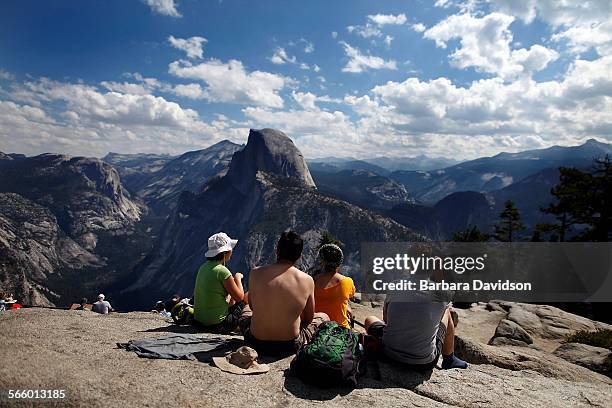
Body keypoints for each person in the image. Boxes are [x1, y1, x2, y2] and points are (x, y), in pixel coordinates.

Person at [239, 230, 329, 356]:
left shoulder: (255, 273)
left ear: (277, 250)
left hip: (255, 342)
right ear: (299, 256)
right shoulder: (307, 280)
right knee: (323, 317)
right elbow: (309, 318)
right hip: (289, 345)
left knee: (246, 308)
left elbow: (253, 307)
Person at [364, 282, 468, 370]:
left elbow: (386, 320)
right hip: (423, 363)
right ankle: (449, 359)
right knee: (447, 311)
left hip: (388, 354)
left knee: (370, 319)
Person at [193, 232, 245, 333]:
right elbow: (239, 297)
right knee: (245, 299)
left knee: (230, 297)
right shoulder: (222, 271)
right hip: (218, 325)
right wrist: (238, 278)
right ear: (225, 252)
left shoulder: (203, 267)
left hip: (199, 322)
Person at [313, 244, 355, 328]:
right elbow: (350, 295)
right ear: (339, 263)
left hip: (317, 327)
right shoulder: (347, 282)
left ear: (322, 261)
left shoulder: (312, 281)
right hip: (340, 329)